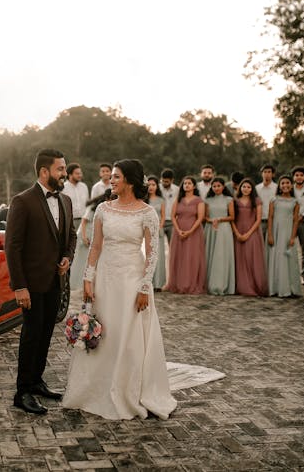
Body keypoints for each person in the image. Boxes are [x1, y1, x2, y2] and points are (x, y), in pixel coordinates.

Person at [62, 159, 177, 420]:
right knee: (105, 333)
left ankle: (128, 389)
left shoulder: (147, 212)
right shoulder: (103, 208)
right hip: (105, 277)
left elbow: (152, 252)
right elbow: (96, 247)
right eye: (111, 176)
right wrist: (88, 279)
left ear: (130, 181)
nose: (111, 181)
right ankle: (96, 387)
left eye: (116, 176)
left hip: (132, 279)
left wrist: (145, 286)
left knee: (129, 334)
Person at [5, 148, 77, 414]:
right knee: (31, 336)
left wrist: (68, 257)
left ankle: (36, 382)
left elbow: (71, 236)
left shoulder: (66, 201)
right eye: (60, 169)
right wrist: (19, 285)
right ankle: (22, 392)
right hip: (31, 285)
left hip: (55, 283)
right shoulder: (23, 201)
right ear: (44, 171)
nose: (64, 173)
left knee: (46, 334)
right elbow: (12, 247)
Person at [164, 176, 207, 294]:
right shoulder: (178, 199)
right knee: (179, 257)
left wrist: (190, 231)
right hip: (178, 231)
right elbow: (173, 216)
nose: (186, 185)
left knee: (192, 257)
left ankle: (190, 283)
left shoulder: (199, 200)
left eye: (189, 183)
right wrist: (178, 230)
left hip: (194, 232)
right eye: (185, 183)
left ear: (194, 186)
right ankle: (177, 283)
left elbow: (200, 217)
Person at [266, 175, 301, 297]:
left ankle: (290, 288)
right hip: (275, 232)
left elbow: (296, 220)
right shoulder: (274, 200)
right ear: (279, 186)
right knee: (276, 258)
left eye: (287, 183)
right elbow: (270, 217)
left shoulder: (295, 202)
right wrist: (270, 234)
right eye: (283, 183)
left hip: (288, 232)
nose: (285, 185)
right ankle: (275, 288)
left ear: (291, 185)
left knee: (288, 258)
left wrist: (292, 237)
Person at [231, 178, 267, 297]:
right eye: (244, 186)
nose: (246, 189)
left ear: (252, 189)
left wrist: (248, 233)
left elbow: (258, 220)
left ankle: (253, 285)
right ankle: (241, 285)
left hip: (252, 233)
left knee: (251, 258)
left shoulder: (256, 201)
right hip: (237, 232)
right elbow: (232, 219)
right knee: (239, 259)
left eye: (248, 187)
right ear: (240, 188)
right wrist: (236, 233)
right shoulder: (235, 201)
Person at [70, 189, 112, 290]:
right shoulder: (93, 208)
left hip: (94, 237)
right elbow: (84, 222)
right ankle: (77, 283)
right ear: (106, 198)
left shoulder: (107, 209)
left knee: (90, 260)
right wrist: (84, 237)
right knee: (81, 261)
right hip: (85, 235)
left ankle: (87, 283)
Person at [204, 178, 235, 295]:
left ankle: (221, 284)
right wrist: (211, 220)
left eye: (218, 186)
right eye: (214, 186)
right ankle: (209, 283)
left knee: (222, 256)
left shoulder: (229, 200)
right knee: (211, 255)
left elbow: (232, 216)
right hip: (211, 228)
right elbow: (205, 217)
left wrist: (220, 219)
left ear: (223, 187)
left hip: (224, 229)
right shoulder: (208, 200)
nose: (216, 188)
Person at [146, 175, 167, 291]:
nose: (151, 187)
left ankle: (158, 284)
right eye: (149, 185)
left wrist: (159, 227)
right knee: (147, 256)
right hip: (145, 231)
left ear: (157, 186)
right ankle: (147, 282)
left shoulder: (161, 200)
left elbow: (163, 216)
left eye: (153, 185)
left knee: (158, 256)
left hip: (158, 231)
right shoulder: (142, 199)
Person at [255, 165, 278, 251]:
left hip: (274, 221)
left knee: (273, 247)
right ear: (261, 174)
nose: (267, 174)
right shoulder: (257, 188)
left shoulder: (277, 188)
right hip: (260, 221)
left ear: (273, 174)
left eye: (269, 172)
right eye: (265, 172)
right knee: (260, 247)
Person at [159, 168, 180, 242]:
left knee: (172, 244)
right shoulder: (157, 188)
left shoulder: (177, 190)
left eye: (167, 182)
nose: (164, 183)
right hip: (159, 221)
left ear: (172, 180)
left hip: (172, 222)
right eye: (163, 181)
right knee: (158, 246)